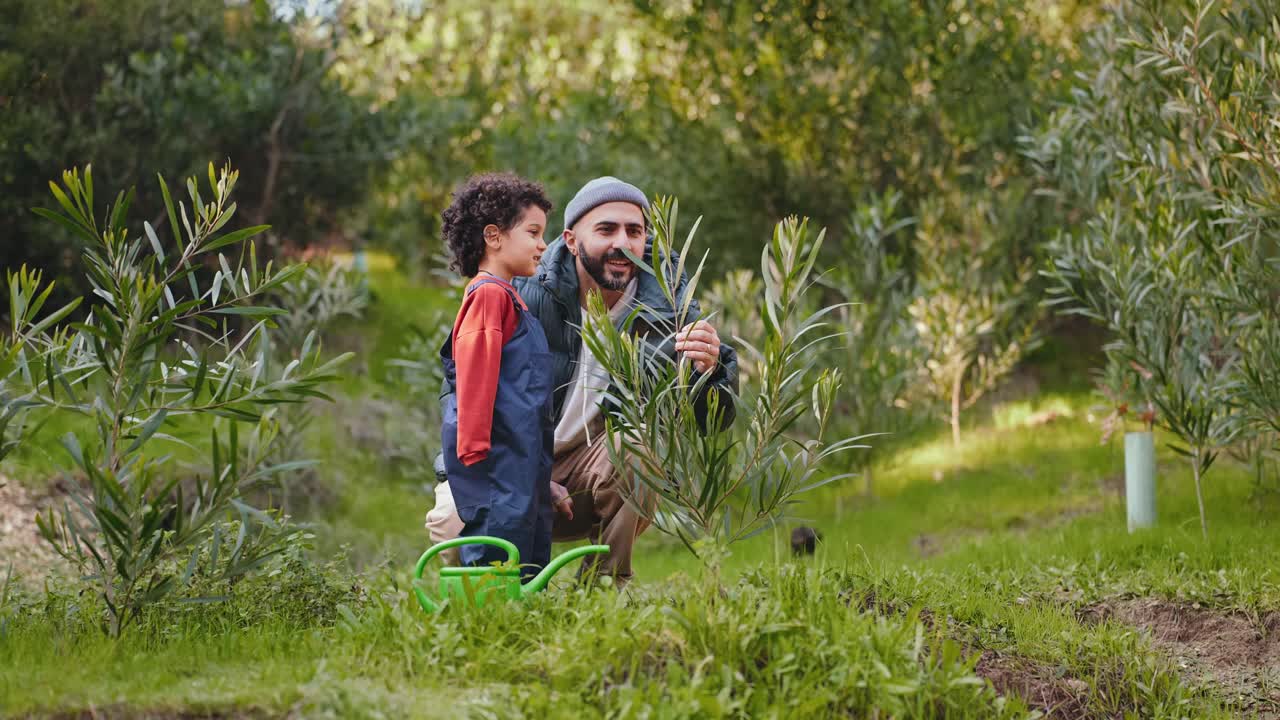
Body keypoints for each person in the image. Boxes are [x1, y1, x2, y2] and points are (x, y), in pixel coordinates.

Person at [428, 176, 739, 587]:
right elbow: (465, 393)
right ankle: (489, 605)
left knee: (638, 448)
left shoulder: (670, 306)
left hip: (594, 471)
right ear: (572, 240)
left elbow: (712, 422)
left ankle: (604, 590)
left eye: (635, 231)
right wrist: (528, 476)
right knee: (453, 521)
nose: (623, 243)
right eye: (606, 229)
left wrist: (709, 371)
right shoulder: (520, 287)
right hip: (514, 459)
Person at [436, 172, 573, 577]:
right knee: (497, 548)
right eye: (532, 232)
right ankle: (488, 622)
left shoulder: (511, 298)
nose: (542, 245)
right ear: (494, 237)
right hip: (495, 460)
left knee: (526, 551)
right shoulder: (490, 295)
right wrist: (477, 452)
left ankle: (524, 626)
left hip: (519, 457)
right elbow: (476, 375)